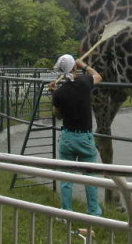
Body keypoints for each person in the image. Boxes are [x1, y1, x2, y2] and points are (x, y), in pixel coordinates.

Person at [49, 54, 103, 216]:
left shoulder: (59, 93)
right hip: (84, 138)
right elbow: (98, 76)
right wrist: (84, 65)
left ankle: (66, 212)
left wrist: (53, 94)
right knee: (90, 179)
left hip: (67, 138)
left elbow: (58, 115)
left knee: (66, 179)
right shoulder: (85, 82)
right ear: (74, 68)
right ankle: (94, 213)